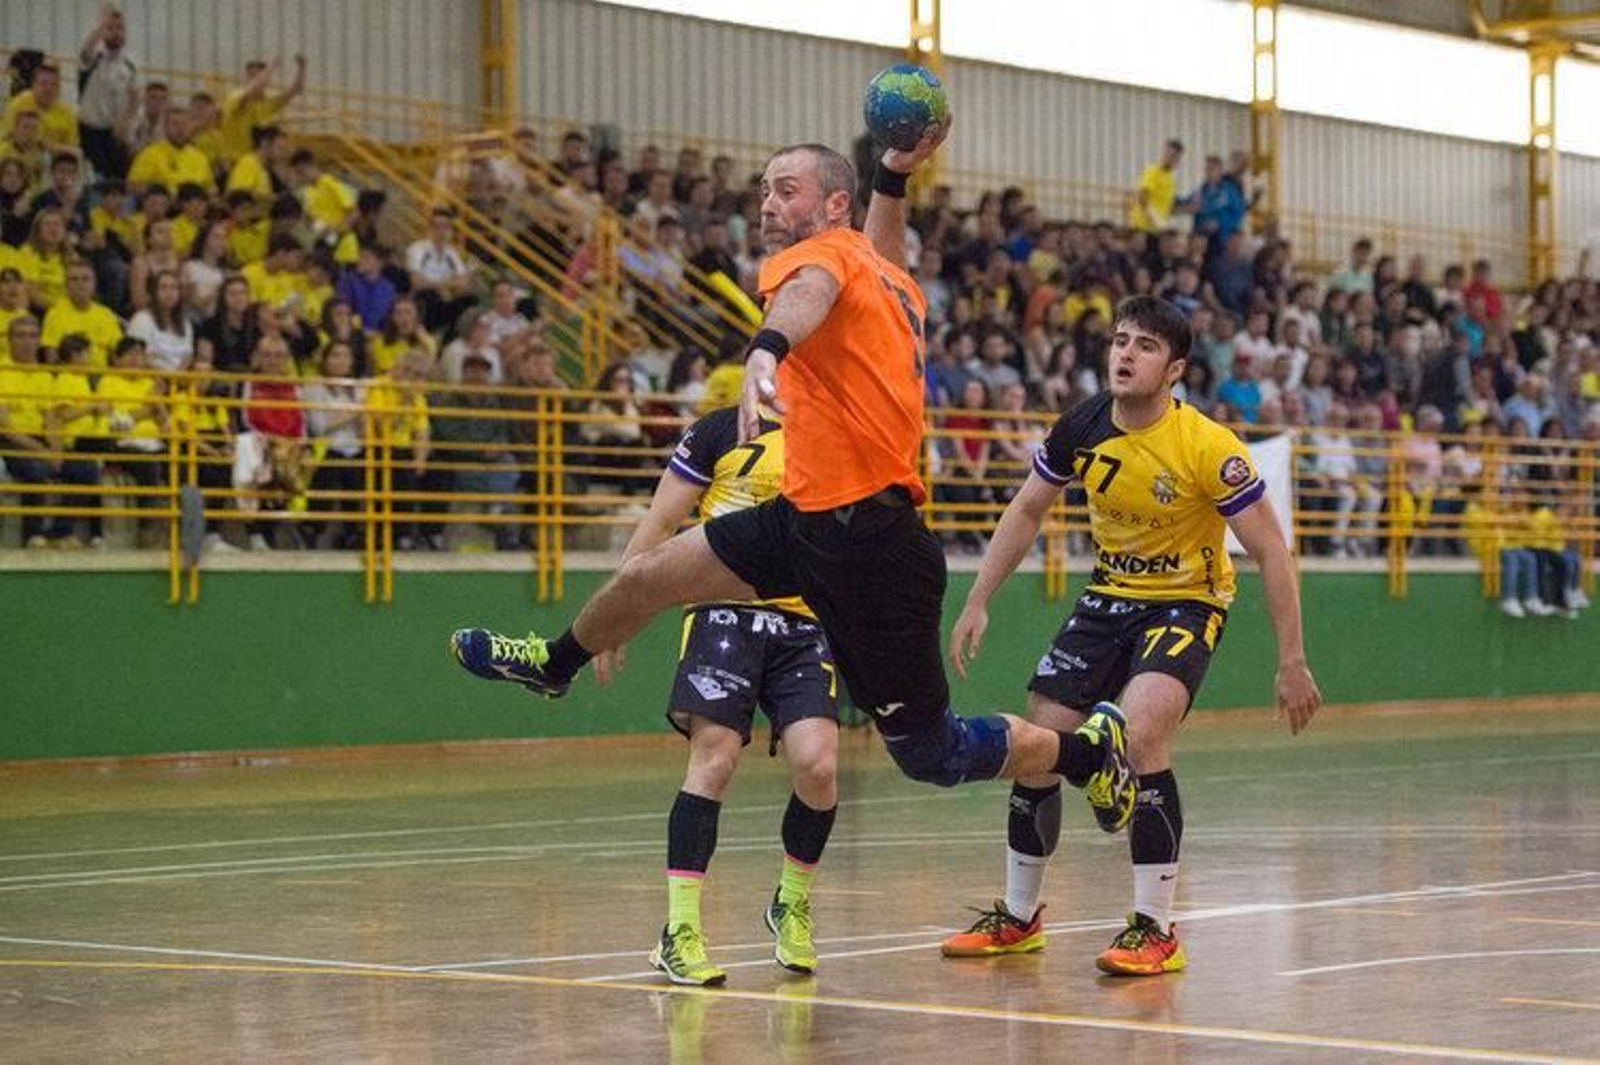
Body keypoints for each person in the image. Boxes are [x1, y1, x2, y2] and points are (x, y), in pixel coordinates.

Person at [451, 127, 1142, 829]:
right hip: (802, 520)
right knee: (645, 577)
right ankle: (555, 663)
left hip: (875, 548)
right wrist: (892, 175)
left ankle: (1088, 752)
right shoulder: (888, 279)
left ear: (835, 206)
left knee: (933, 753)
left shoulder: (820, 260)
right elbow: (880, 247)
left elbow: (808, 290)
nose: (767, 204)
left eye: (787, 190)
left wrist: (766, 349)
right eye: (763, 190)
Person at [935, 293, 1321, 976]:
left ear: (1174, 369)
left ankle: (1154, 929)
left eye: (1144, 345)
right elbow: (1026, 509)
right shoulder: (1082, 425)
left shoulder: (1208, 446)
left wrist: (1291, 659)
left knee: (1140, 739)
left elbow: (1270, 550)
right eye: (1120, 340)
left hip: (1186, 604)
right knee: (1040, 745)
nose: (1125, 354)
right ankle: (1019, 918)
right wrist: (979, 598)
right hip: (1106, 599)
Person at [591, 405, 841, 986]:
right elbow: (659, 525)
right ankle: (679, 930)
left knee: (819, 766)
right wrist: (614, 612)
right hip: (720, 611)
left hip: (803, 620)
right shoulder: (719, 430)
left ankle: (791, 902)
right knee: (717, 756)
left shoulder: (832, 427)